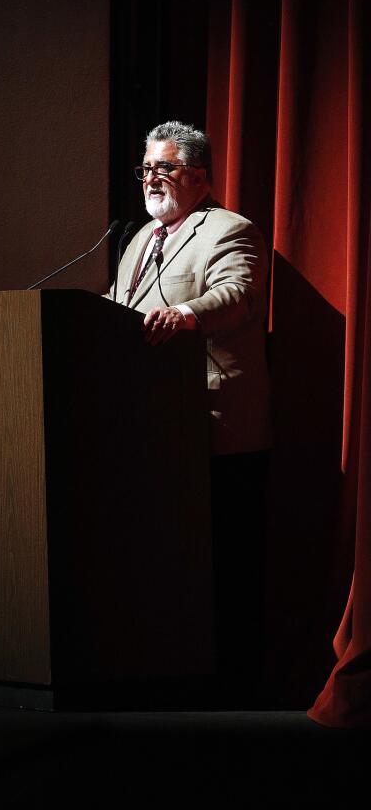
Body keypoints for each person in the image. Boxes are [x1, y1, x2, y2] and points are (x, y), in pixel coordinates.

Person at [111, 119, 272, 703]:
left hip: (215, 430)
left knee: (223, 569)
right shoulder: (138, 240)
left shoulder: (229, 230)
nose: (151, 178)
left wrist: (187, 315)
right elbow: (116, 311)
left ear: (199, 176)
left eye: (165, 168)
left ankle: (232, 691)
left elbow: (240, 295)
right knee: (165, 565)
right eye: (146, 168)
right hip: (152, 430)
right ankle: (166, 674)